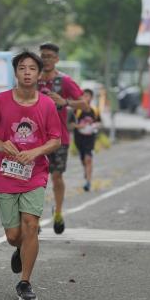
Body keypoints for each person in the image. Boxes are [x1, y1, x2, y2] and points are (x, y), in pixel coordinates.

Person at [0, 50, 61, 300]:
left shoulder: (46, 104)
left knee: (32, 226)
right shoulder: (0, 101)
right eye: (22, 68)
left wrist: (35, 152)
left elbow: (55, 139)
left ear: (39, 74)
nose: (27, 72)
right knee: (14, 236)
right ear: (15, 72)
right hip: (4, 172)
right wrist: (2, 145)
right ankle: (20, 248)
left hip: (34, 173)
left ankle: (24, 282)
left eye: (32, 69)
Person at [38, 42, 87, 234]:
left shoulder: (64, 81)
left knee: (56, 176)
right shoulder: (32, 80)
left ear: (57, 59)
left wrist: (64, 101)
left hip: (58, 138)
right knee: (35, 179)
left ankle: (58, 212)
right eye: (43, 56)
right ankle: (34, 216)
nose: (46, 59)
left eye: (50, 56)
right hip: (34, 139)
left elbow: (85, 104)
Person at [68, 88, 102, 192]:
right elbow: (70, 124)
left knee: (89, 159)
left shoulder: (94, 110)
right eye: (83, 96)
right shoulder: (76, 110)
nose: (85, 98)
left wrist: (94, 125)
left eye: (87, 96)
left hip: (90, 138)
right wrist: (80, 126)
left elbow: (100, 122)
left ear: (91, 97)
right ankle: (86, 171)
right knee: (83, 159)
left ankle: (88, 182)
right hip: (79, 138)